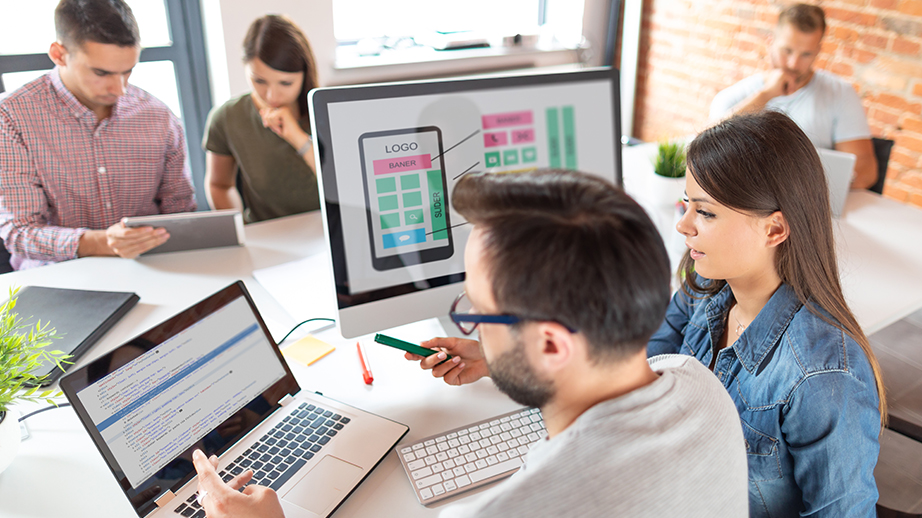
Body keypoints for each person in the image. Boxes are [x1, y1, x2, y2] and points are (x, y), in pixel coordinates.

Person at [191, 170, 750, 517]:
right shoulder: (696, 382)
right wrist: (503, 357)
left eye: (480, 312)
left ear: (553, 346)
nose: (473, 326)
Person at [647, 110, 884, 517]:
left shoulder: (822, 377)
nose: (683, 226)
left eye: (705, 212)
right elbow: (644, 374)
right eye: (687, 205)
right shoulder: (703, 290)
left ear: (774, 230)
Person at [0, 0, 196, 270]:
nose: (120, 89)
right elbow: (19, 233)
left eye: (128, 71)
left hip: (150, 269)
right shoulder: (11, 117)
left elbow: (181, 211)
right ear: (59, 55)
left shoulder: (158, 115)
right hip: (57, 278)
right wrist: (103, 243)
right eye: (101, 73)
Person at [709, 3, 877, 189]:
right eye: (787, 51)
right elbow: (708, 146)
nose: (793, 64)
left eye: (806, 54)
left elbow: (866, 171)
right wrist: (766, 95)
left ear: (818, 51)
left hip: (812, 203)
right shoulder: (734, 96)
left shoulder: (840, 93)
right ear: (770, 42)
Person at [202, 15, 320, 223]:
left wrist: (298, 138)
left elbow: (343, 188)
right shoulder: (227, 118)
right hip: (265, 235)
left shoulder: (326, 110)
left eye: (285, 83)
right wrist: (243, 229)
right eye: (259, 81)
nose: (271, 96)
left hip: (326, 230)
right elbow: (219, 185)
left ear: (305, 73)